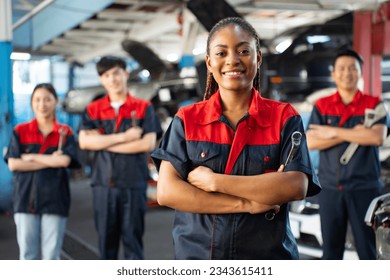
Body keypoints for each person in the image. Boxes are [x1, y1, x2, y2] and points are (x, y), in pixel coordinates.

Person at [151, 17, 321, 260]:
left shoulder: (283, 117)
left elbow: (295, 186)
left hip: (268, 257)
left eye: (243, 50)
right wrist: (249, 203)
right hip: (199, 256)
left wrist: (215, 182)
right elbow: (167, 192)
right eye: (221, 53)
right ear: (209, 63)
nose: (232, 60)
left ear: (258, 58)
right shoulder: (187, 119)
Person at [306, 49, 388, 260]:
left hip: (365, 190)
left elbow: (377, 138)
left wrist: (332, 131)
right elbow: (311, 141)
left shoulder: (374, 104)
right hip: (330, 190)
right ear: (334, 74)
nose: (347, 73)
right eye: (341, 68)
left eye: (352, 68)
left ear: (360, 73)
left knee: (368, 252)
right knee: (331, 253)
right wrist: (354, 134)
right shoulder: (322, 106)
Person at [78, 56, 162, 260]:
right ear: (101, 80)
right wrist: (125, 137)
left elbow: (147, 144)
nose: (112, 79)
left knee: (133, 242)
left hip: (133, 184)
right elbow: (85, 143)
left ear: (125, 74)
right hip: (103, 186)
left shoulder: (144, 107)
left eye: (116, 73)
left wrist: (104, 142)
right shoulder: (93, 110)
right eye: (106, 75)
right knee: (106, 245)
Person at [4, 83, 80, 260]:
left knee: (52, 256)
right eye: (37, 100)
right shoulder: (20, 131)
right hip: (24, 199)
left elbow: (64, 161)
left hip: (55, 199)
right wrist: (51, 160)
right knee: (28, 255)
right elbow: (14, 164)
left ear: (56, 101)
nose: (42, 104)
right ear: (32, 103)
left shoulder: (64, 132)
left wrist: (31, 158)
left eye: (47, 99)